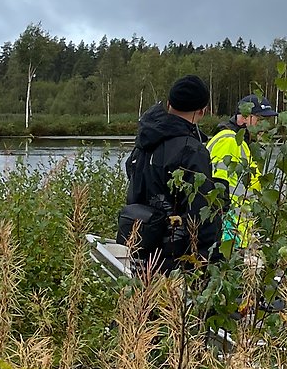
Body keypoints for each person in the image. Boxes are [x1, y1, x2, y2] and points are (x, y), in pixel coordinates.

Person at [119, 75, 224, 268]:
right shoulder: (192, 150)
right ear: (203, 111)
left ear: (168, 104)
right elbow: (201, 214)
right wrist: (210, 260)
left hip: (137, 249)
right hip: (174, 259)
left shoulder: (145, 140)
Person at [208, 94, 278, 249]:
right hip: (229, 239)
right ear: (245, 117)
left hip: (240, 234)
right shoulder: (229, 141)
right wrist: (228, 240)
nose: (265, 126)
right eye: (260, 119)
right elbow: (217, 194)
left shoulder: (241, 143)